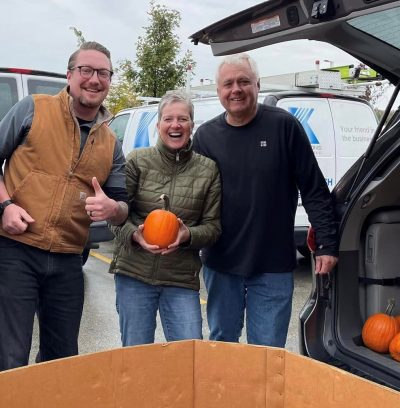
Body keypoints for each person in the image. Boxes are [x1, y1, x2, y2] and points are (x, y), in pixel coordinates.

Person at [193, 53, 338, 347]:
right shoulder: (205, 137)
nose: (236, 89)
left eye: (244, 81)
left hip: (273, 265)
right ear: (219, 91)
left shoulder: (284, 127)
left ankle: (263, 397)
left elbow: (314, 189)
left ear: (257, 85)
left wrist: (327, 244)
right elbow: (192, 197)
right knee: (222, 345)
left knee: (268, 352)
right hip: (221, 263)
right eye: (228, 84)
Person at [0, 41, 128, 370]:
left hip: (69, 260)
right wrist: (6, 206)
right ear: (69, 76)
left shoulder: (111, 143)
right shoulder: (33, 108)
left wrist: (111, 209)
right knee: (10, 354)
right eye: (86, 70)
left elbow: (122, 206)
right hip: (16, 250)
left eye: (103, 73)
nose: (94, 79)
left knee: (61, 361)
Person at [110, 91, 221, 345]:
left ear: (192, 125)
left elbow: (213, 227)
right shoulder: (138, 161)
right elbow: (115, 216)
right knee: (136, 357)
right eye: (168, 119)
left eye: (183, 119)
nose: (175, 125)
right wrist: (135, 235)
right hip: (134, 275)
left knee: (188, 354)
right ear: (158, 125)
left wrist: (187, 235)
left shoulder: (208, 170)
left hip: (180, 278)